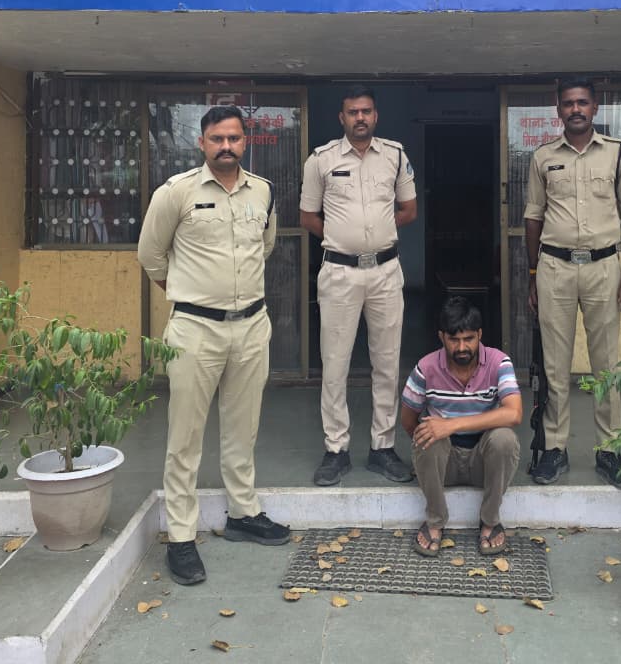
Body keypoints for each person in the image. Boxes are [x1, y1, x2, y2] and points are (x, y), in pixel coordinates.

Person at [137, 104, 290, 587]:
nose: (226, 146)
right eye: (217, 139)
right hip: (195, 329)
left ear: (246, 141)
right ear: (201, 143)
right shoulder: (176, 192)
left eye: (234, 138)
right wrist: (193, 295)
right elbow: (150, 255)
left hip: (251, 326)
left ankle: (243, 512)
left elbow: (265, 245)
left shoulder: (263, 191)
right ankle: (181, 535)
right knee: (185, 437)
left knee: (243, 429)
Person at [524, 75, 621, 487]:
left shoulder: (617, 152)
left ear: (595, 107)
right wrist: (533, 276)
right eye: (568, 103)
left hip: (603, 269)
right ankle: (554, 450)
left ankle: (609, 450)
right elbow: (533, 217)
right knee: (555, 367)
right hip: (554, 269)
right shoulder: (542, 157)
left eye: (582, 102)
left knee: (605, 365)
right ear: (558, 110)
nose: (575, 109)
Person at [300, 85, 418, 486]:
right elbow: (308, 216)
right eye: (353, 112)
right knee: (335, 363)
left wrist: (378, 232)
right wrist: (342, 237)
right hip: (339, 273)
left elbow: (408, 209)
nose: (360, 118)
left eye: (366, 111)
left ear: (375, 115)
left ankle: (383, 447)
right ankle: (336, 449)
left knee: (387, 361)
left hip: (385, 271)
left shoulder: (395, 155)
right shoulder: (321, 160)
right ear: (342, 118)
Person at [401, 296, 522, 557]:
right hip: (444, 466)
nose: (462, 347)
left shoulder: (499, 362)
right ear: (441, 337)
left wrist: (451, 425)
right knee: (426, 434)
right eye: (454, 340)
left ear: (480, 335)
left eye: (469, 338)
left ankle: (490, 521)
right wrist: (429, 453)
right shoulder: (425, 367)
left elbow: (514, 413)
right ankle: (435, 522)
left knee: (504, 438)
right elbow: (408, 420)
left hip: (484, 463)